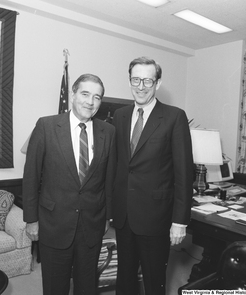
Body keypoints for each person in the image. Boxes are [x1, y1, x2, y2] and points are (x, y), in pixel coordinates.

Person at [22, 73, 116, 295]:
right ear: (73, 94)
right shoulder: (46, 126)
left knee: (87, 286)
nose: (90, 102)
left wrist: (107, 217)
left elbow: (109, 179)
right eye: (85, 94)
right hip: (54, 224)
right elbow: (31, 176)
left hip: (91, 226)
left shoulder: (108, 132)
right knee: (56, 287)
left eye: (97, 97)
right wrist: (31, 219)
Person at [112, 56, 194, 295]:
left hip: (156, 218)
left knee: (154, 280)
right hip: (124, 215)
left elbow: (183, 173)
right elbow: (118, 166)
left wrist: (180, 221)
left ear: (157, 84)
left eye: (148, 80)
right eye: (136, 79)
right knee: (124, 278)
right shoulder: (120, 115)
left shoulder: (174, 117)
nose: (141, 86)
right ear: (129, 81)